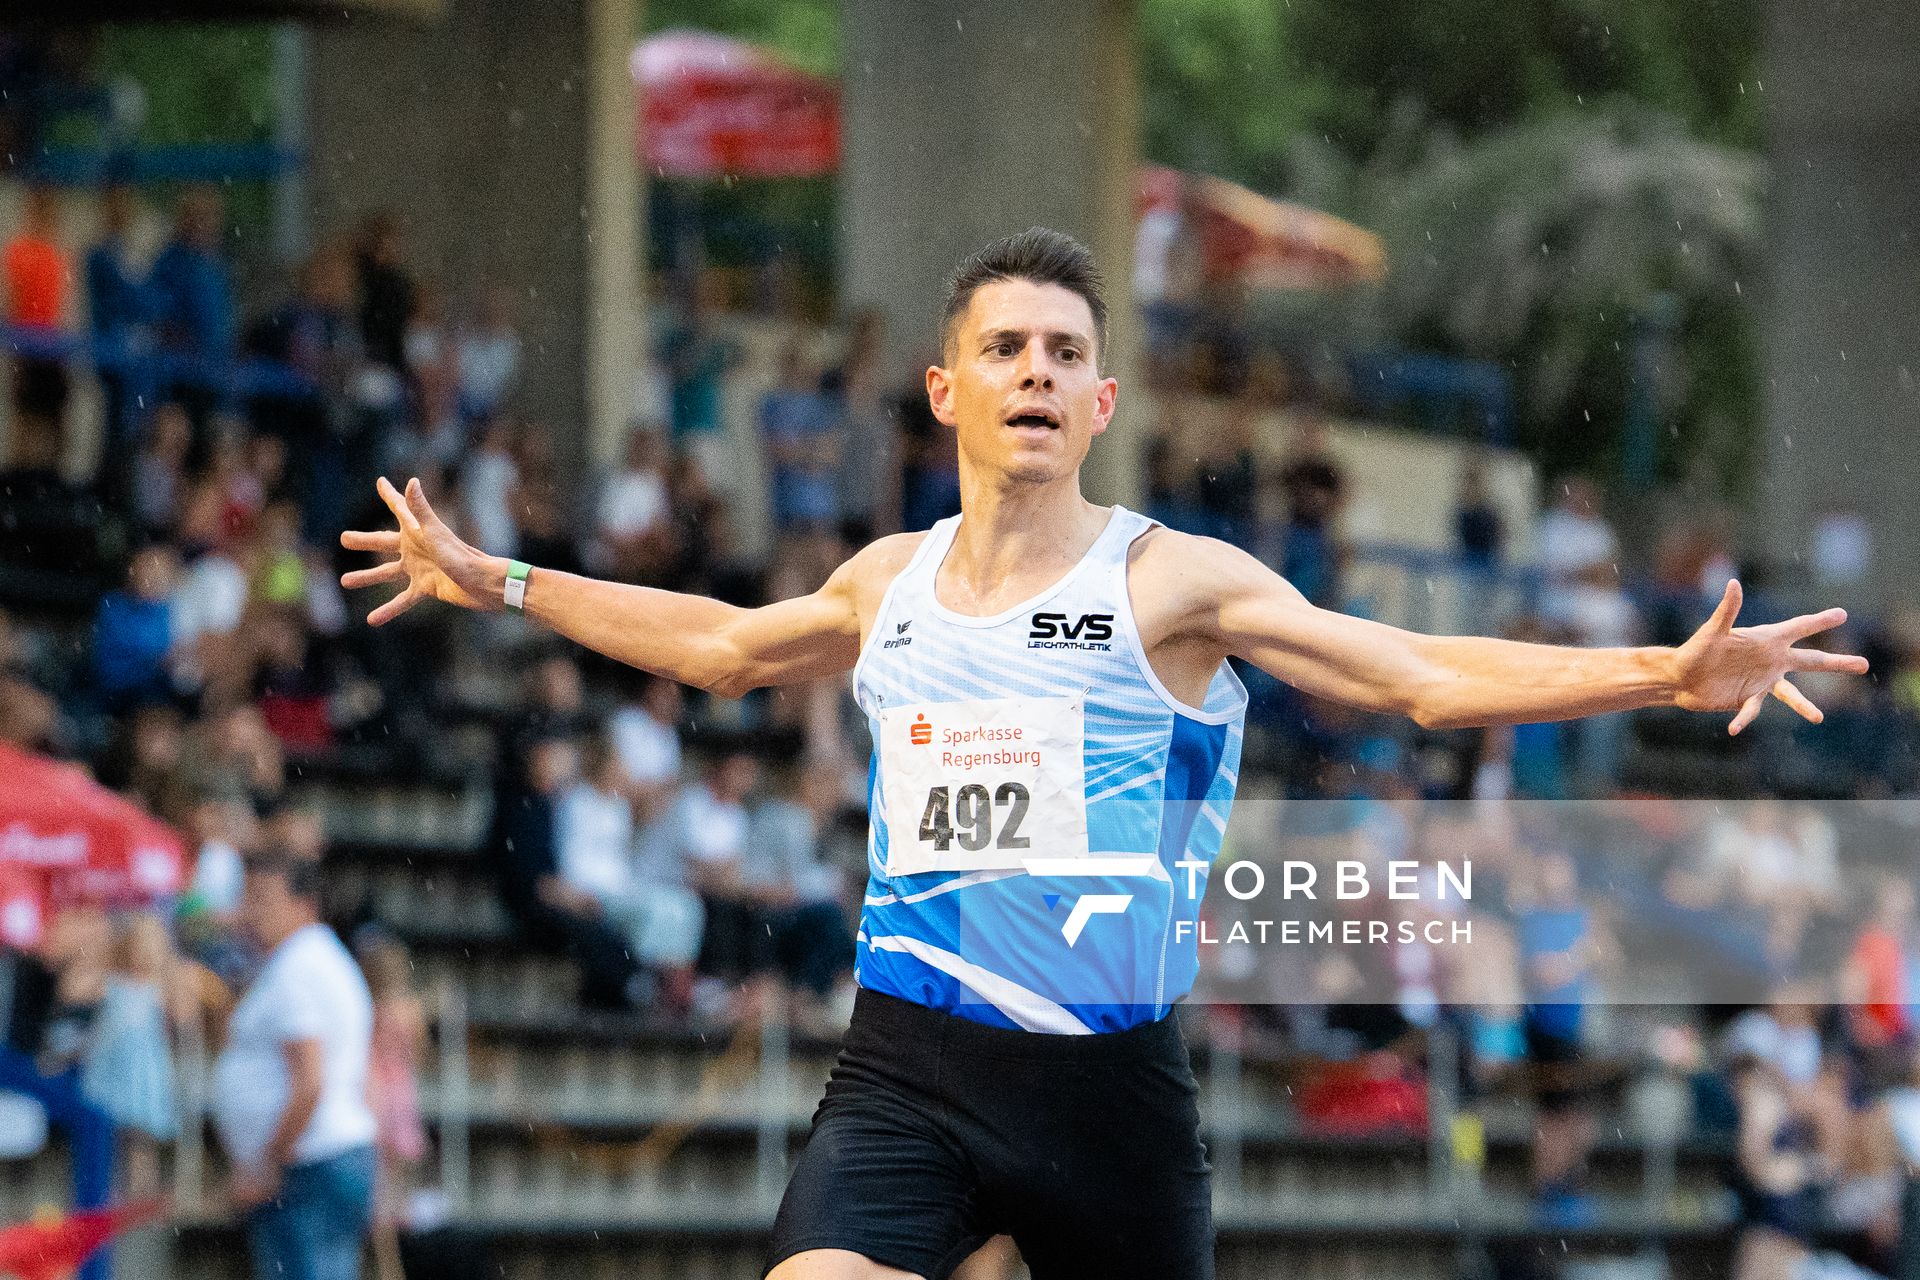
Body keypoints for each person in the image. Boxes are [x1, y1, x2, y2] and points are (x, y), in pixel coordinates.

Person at [342, 227, 1868, 1280]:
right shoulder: (889, 583)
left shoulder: (1172, 584)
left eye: (1064, 352)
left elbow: (1417, 679)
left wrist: (1661, 673)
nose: (1034, 371)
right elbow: (721, 644)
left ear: (1100, 401)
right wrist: (504, 578)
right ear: (946, 388)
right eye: (1002, 347)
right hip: (909, 1065)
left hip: (1107, 1091)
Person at [212, 850, 378, 1280]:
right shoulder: (324, 960)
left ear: (303, 903)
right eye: (247, 896)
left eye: (263, 897)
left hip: (308, 1166)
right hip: (329, 1155)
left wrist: (268, 1164)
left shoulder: (298, 967)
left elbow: (309, 1081)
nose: (250, 911)